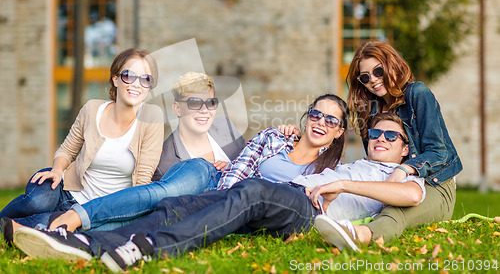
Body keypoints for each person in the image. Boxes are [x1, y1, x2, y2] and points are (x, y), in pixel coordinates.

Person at [12, 113, 426, 273]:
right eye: (376, 132)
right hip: (283, 193)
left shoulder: (402, 173)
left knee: (253, 193)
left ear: (406, 148)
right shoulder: (345, 162)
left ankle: (149, 247)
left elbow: (411, 197)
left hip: (304, 208)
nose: (382, 138)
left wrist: (341, 184)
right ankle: (87, 242)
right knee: (179, 202)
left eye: (392, 135)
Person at [44, 72, 245, 232]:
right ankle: (69, 221)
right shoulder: (165, 160)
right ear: (177, 108)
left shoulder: (225, 128)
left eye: (210, 103)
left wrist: (233, 168)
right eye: (194, 103)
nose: (204, 110)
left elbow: (253, 161)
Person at [0, 48, 164, 238]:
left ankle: (16, 227)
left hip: (92, 211)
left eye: (145, 79)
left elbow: (143, 180)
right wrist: (57, 170)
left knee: (50, 224)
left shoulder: (152, 116)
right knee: (38, 202)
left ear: (150, 86)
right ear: (115, 79)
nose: (137, 84)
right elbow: (68, 149)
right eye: (129, 75)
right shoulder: (92, 109)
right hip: (68, 191)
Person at [341, 40, 462, 249]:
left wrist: (403, 169)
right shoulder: (371, 110)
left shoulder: (418, 94)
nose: (373, 80)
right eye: (365, 77)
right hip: (388, 183)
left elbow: (440, 152)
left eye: (378, 71)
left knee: (396, 211)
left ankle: (361, 236)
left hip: (434, 184)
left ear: (391, 65)